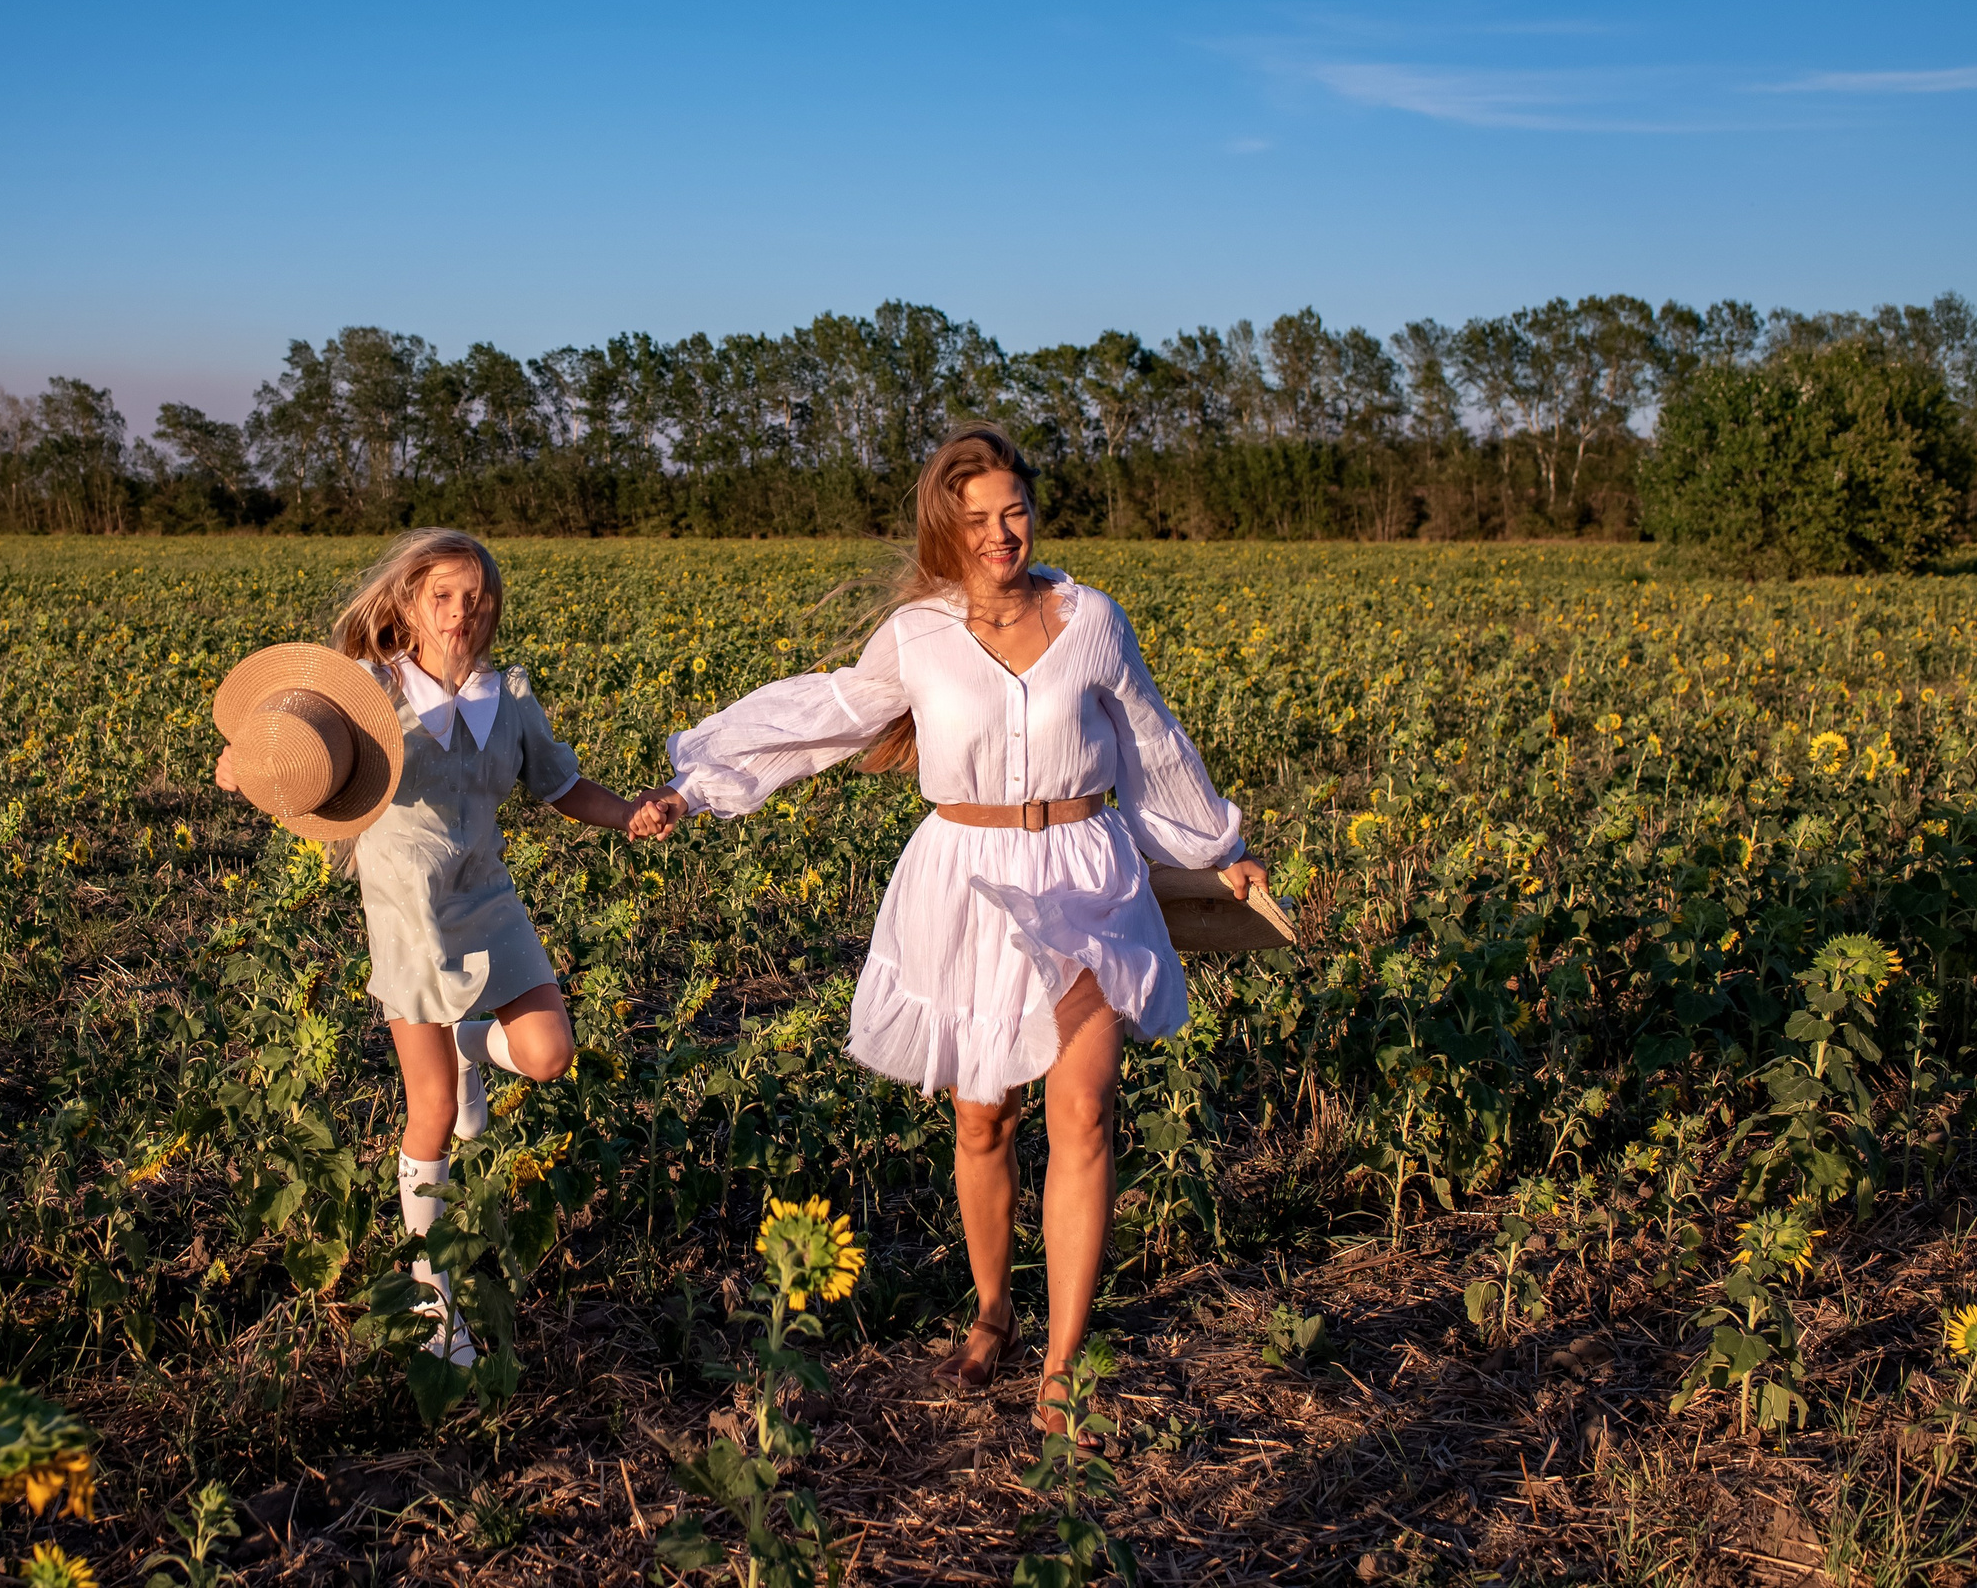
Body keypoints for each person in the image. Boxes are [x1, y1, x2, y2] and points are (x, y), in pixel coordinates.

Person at [638, 424, 1264, 1435]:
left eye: (1012, 509)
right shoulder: (917, 634)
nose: (998, 532)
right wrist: (696, 787)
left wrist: (1217, 843)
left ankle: (1061, 1361)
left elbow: (1150, 739)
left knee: (1087, 1109)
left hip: (1087, 870)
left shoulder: (1092, 618)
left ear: (1032, 512)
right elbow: (826, 715)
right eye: (974, 517)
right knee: (984, 1119)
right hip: (966, 880)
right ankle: (991, 1311)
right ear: (945, 525)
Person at [215, 529, 680, 1366]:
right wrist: (245, 763)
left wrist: (631, 815)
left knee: (547, 1054)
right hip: (406, 912)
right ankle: (436, 1309)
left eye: (477, 599)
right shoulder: (367, 694)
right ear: (406, 604)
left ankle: (475, 1041)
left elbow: (561, 784)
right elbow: (286, 742)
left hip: (485, 897)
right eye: (443, 597)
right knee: (430, 1111)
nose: (462, 614)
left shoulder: (512, 697)